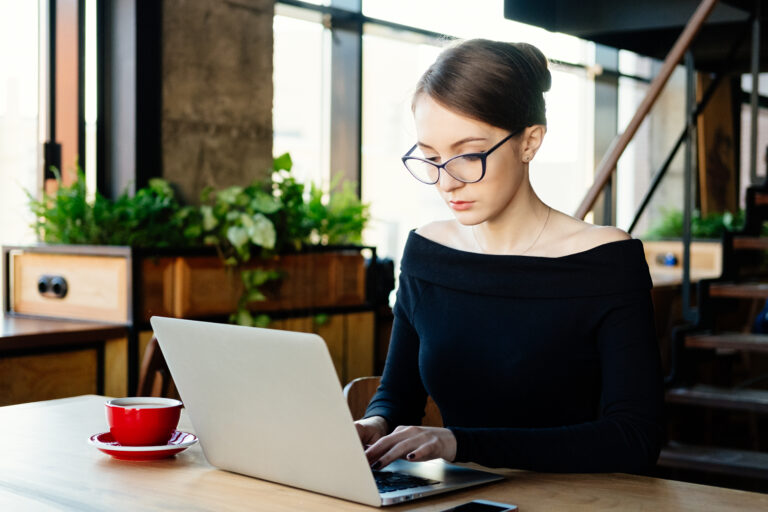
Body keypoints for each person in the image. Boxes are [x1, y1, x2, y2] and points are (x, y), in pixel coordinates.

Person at [355, 39, 664, 473]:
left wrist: (460, 444)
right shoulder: (428, 252)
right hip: (459, 494)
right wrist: (376, 422)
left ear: (529, 142)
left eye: (468, 154)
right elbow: (399, 393)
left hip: (581, 500)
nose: (447, 182)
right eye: (430, 157)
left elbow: (634, 437)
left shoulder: (605, 259)